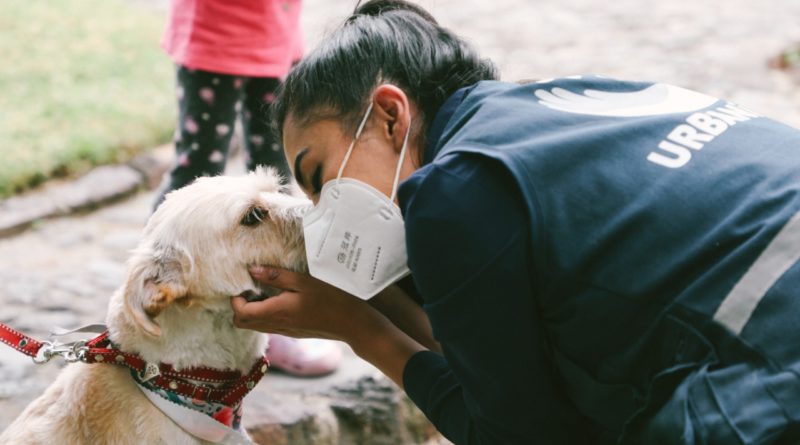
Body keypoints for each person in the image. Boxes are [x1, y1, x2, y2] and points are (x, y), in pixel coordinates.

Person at [230, 0, 800, 443]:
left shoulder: (454, 186)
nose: (325, 214)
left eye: (321, 177)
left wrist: (358, 328)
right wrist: (372, 295)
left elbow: (520, 435)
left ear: (389, 114)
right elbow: (502, 361)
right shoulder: (550, 108)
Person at [158, 0, 342, 377]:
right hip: (214, 39)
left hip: (276, 34)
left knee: (277, 175)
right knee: (196, 177)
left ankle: (278, 316)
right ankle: (157, 298)